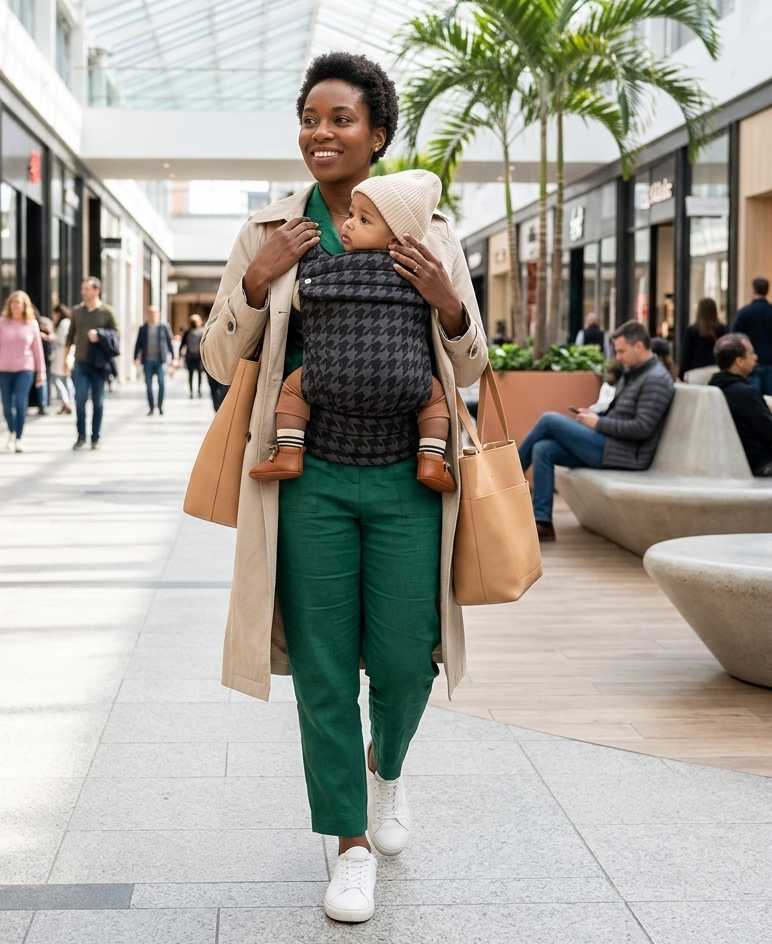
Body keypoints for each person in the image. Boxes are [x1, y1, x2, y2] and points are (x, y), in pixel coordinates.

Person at [200, 52, 487, 924]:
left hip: (411, 478)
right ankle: (348, 842)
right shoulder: (269, 232)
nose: (320, 134)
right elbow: (218, 359)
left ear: (380, 136)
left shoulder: (431, 234)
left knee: (405, 663)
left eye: (341, 120)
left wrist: (448, 304)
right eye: (310, 118)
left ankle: (387, 766)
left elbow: (472, 365)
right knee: (324, 669)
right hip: (308, 480)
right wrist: (255, 284)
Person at [249, 169, 455, 493]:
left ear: (396, 239)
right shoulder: (416, 275)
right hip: (405, 378)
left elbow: (298, 299)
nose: (348, 223)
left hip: (328, 376)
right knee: (435, 399)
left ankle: (288, 451)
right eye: (351, 215)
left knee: (292, 389)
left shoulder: (325, 269)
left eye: (363, 220)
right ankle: (431, 457)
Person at [518, 320, 675, 541]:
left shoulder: (656, 380)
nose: (617, 357)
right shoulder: (635, 373)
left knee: (549, 420)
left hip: (624, 454)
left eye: (621, 351)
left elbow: (642, 428)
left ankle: (506, 481)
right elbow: (618, 415)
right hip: (610, 444)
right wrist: (594, 417)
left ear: (638, 346)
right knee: (544, 449)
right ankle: (542, 522)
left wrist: (598, 424)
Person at [0, 291, 46, 453]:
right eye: (13, 302)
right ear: (9, 305)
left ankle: (19, 438)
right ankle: (11, 430)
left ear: (25, 306)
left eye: (19, 302)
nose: (16, 305)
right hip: (4, 369)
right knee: (7, 405)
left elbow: (37, 349)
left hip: (25, 369)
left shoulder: (31, 324)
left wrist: (40, 371)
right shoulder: (1, 323)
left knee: (20, 403)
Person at [63, 277, 118, 450]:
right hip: (81, 362)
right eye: (82, 289)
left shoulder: (107, 312)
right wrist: (66, 359)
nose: (83, 292)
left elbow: (116, 335)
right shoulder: (77, 311)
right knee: (80, 400)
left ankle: (95, 437)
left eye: (86, 289)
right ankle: (81, 436)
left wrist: (100, 334)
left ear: (96, 291)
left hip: (99, 364)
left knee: (98, 402)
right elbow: (70, 336)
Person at [709, 334, 772, 477]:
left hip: (735, 461)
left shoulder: (714, 388)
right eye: (751, 353)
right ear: (739, 362)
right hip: (760, 462)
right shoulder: (744, 394)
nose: (755, 357)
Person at [732, 277, 772, 396]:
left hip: (750, 362)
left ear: (753, 291)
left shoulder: (744, 312)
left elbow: (735, 337)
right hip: (770, 362)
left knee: (753, 397)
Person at [133, 306, 173, 416]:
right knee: (148, 384)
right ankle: (151, 407)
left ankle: (160, 406)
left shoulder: (164, 327)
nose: (153, 315)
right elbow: (138, 344)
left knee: (161, 383)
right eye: (150, 313)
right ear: (147, 315)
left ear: (158, 314)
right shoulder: (143, 328)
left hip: (160, 360)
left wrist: (173, 358)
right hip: (147, 361)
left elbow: (169, 343)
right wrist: (135, 357)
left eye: (154, 313)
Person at [679, 297, 727, 382]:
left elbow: (686, 355)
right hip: (716, 371)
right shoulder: (721, 329)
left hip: (695, 372)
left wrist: (681, 375)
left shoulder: (692, 330)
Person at [50, 304, 73, 414]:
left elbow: (63, 341)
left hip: (62, 355)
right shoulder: (66, 323)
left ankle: (66, 401)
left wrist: (51, 336)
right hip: (63, 355)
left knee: (58, 379)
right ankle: (66, 403)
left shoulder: (64, 323)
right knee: (65, 380)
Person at [178, 314, 205, 398]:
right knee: (190, 374)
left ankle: (199, 390)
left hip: (199, 357)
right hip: (190, 356)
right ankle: (191, 391)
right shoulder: (187, 332)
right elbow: (183, 343)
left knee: (200, 375)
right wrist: (180, 354)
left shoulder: (203, 331)